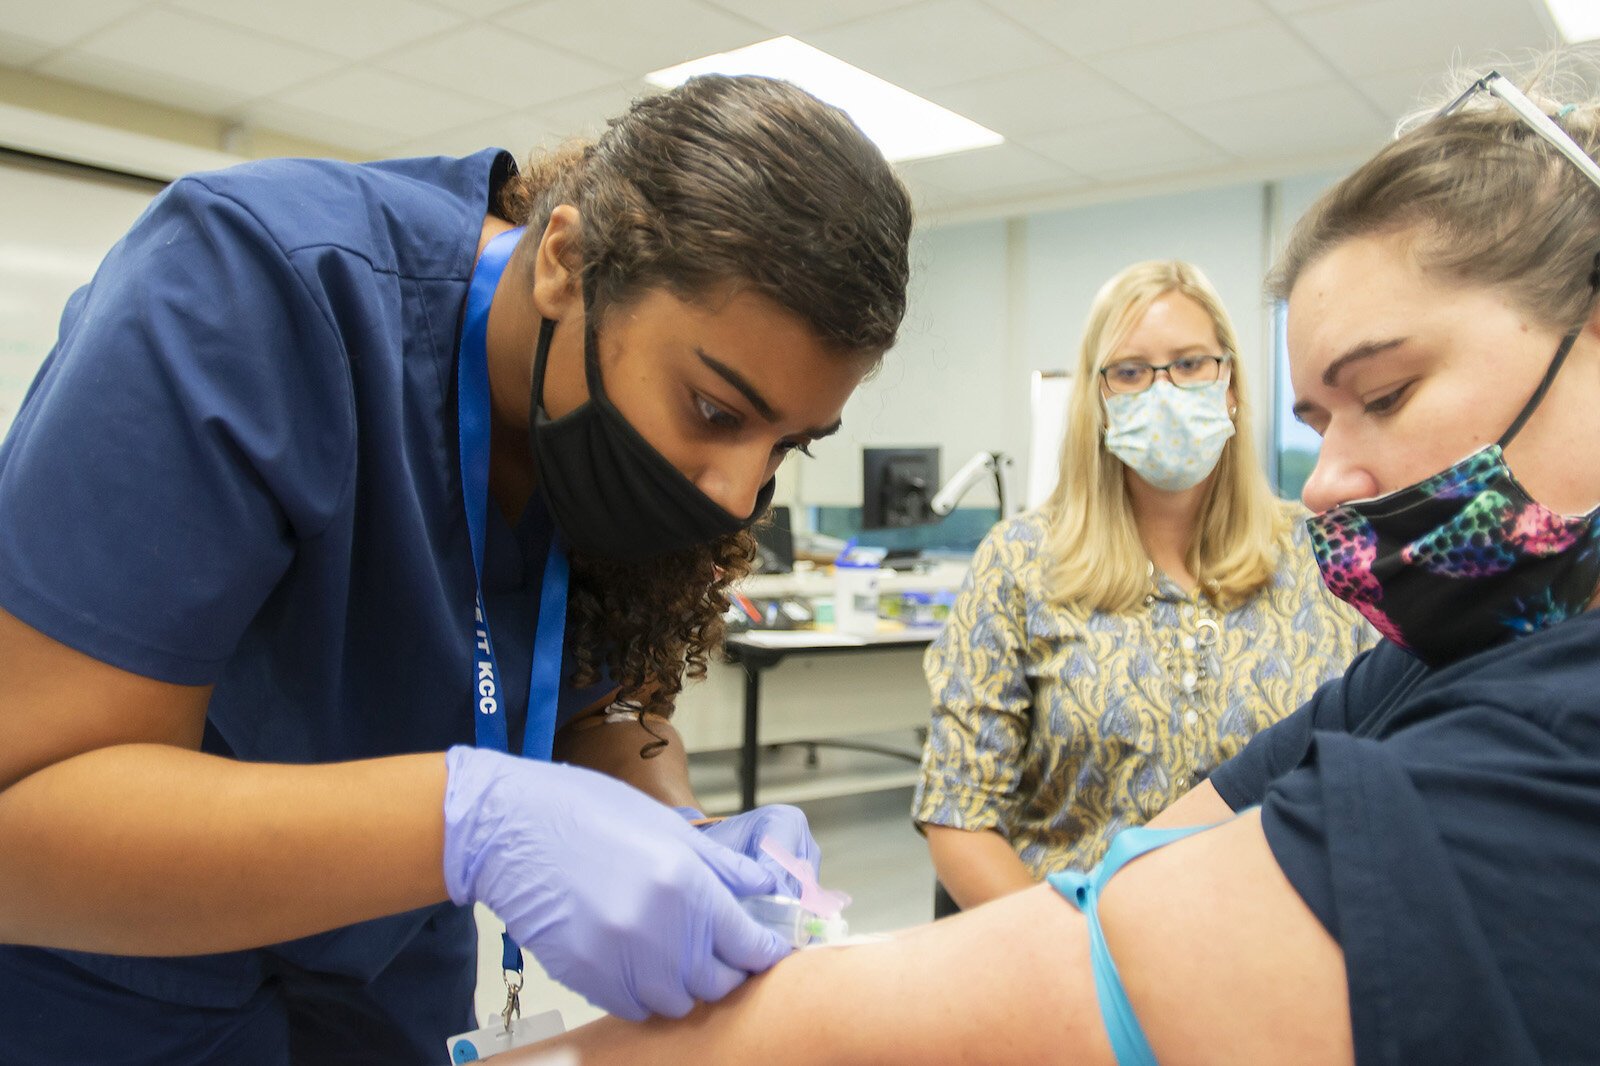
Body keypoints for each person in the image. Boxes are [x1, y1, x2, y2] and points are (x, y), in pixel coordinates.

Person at [508, 57, 1600, 1065]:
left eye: (1388, 393)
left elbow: (1122, 972)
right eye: (1317, 419)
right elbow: (1119, 871)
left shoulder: (1548, 724)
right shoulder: (1451, 650)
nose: (1326, 481)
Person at [0, 75, 912, 1064]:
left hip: (385, 968)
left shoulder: (631, 447)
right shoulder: (255, 289)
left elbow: (603, 703)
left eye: (791, 444)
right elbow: (26, 825)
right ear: (565, 261)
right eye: (715, 412)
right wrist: (470, 821)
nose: (738, 492)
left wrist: (676, 829)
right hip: (115, 978)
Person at [915, 260, 1373, 910]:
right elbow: (958, 810)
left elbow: (1377, 775)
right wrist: (1070, 961)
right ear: (1098, 399)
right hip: (1062, 959)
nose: (1164, 390)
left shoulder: (1320, 558)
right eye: (1130, 372)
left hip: (1275, 955)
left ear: (1232, 383)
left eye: (1190, 364)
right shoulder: (1019, 562)